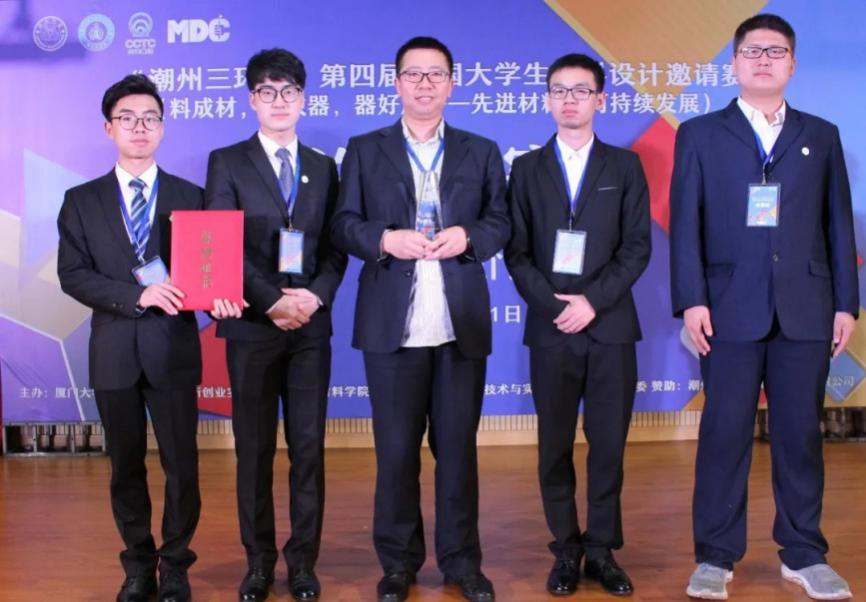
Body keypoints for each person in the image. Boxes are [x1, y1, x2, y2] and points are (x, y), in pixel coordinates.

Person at [669, 13, 856, 601]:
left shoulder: (821, 134)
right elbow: (685, 225)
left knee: (800, 436)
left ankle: (804, 553)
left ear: (793, 64)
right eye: (752, 51)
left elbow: (838, 224)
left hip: (806, 307)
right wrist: (691, 300)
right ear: (734, 64)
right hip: (727, 309)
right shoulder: (700, 134)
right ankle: (715, 556)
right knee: (724, 433)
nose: (764, 60)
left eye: (776, 52)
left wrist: (846, 304)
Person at [330, 36, 510, 602]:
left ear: (452, 84)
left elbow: (502, 220)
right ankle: (398, 564)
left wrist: (469, 237)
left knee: (457, 452)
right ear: (397, 83)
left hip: (459, 322)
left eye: (436, 74)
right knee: (395, 453)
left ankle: (461, 562)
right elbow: (343, 223)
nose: (425, 84)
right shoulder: (366, 149)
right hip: (392, 324)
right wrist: (384, 239)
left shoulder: (481, 150)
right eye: (414, 74)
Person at [57, 74, 234, 602]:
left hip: (173, 349)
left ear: (163, 128)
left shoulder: (192, 197)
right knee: (125, 466)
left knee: (182, 465)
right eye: (128, 118)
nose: (140, 127)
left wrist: (221, 296)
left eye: (150, 118)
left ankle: (176, 565)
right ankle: (137, 565)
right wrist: (138, 295)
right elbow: (73, 275)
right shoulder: (81, 200)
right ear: (109, 128)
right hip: (113, 351)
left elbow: (210, 271)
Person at [504, 53, 650, 597]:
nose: (570, 99)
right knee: (555, 444)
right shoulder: (526, 169)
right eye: (560, 90)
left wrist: (591, 301)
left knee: (608, 445)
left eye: (581, 90)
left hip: (610, 327)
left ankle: (602, 550)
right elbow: (517, 252)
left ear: (600, 99)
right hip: (551, 329)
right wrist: (555, 305)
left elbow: (637, 247)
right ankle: (566, 548)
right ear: (547, 99)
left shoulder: (624, 166)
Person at [205, 48, 346, 602]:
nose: (279, 101)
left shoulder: (324, 167)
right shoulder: (227, 161)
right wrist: (270, 301)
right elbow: (221, 241)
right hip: (252, 326)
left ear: (303, 99)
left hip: (309, 326)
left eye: (288, 91)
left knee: (308, 449)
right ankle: (259, 563)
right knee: (254, 450)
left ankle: (303, 564)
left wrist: (314, 296)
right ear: (252, 100)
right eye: (267, 92)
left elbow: (336, 245)